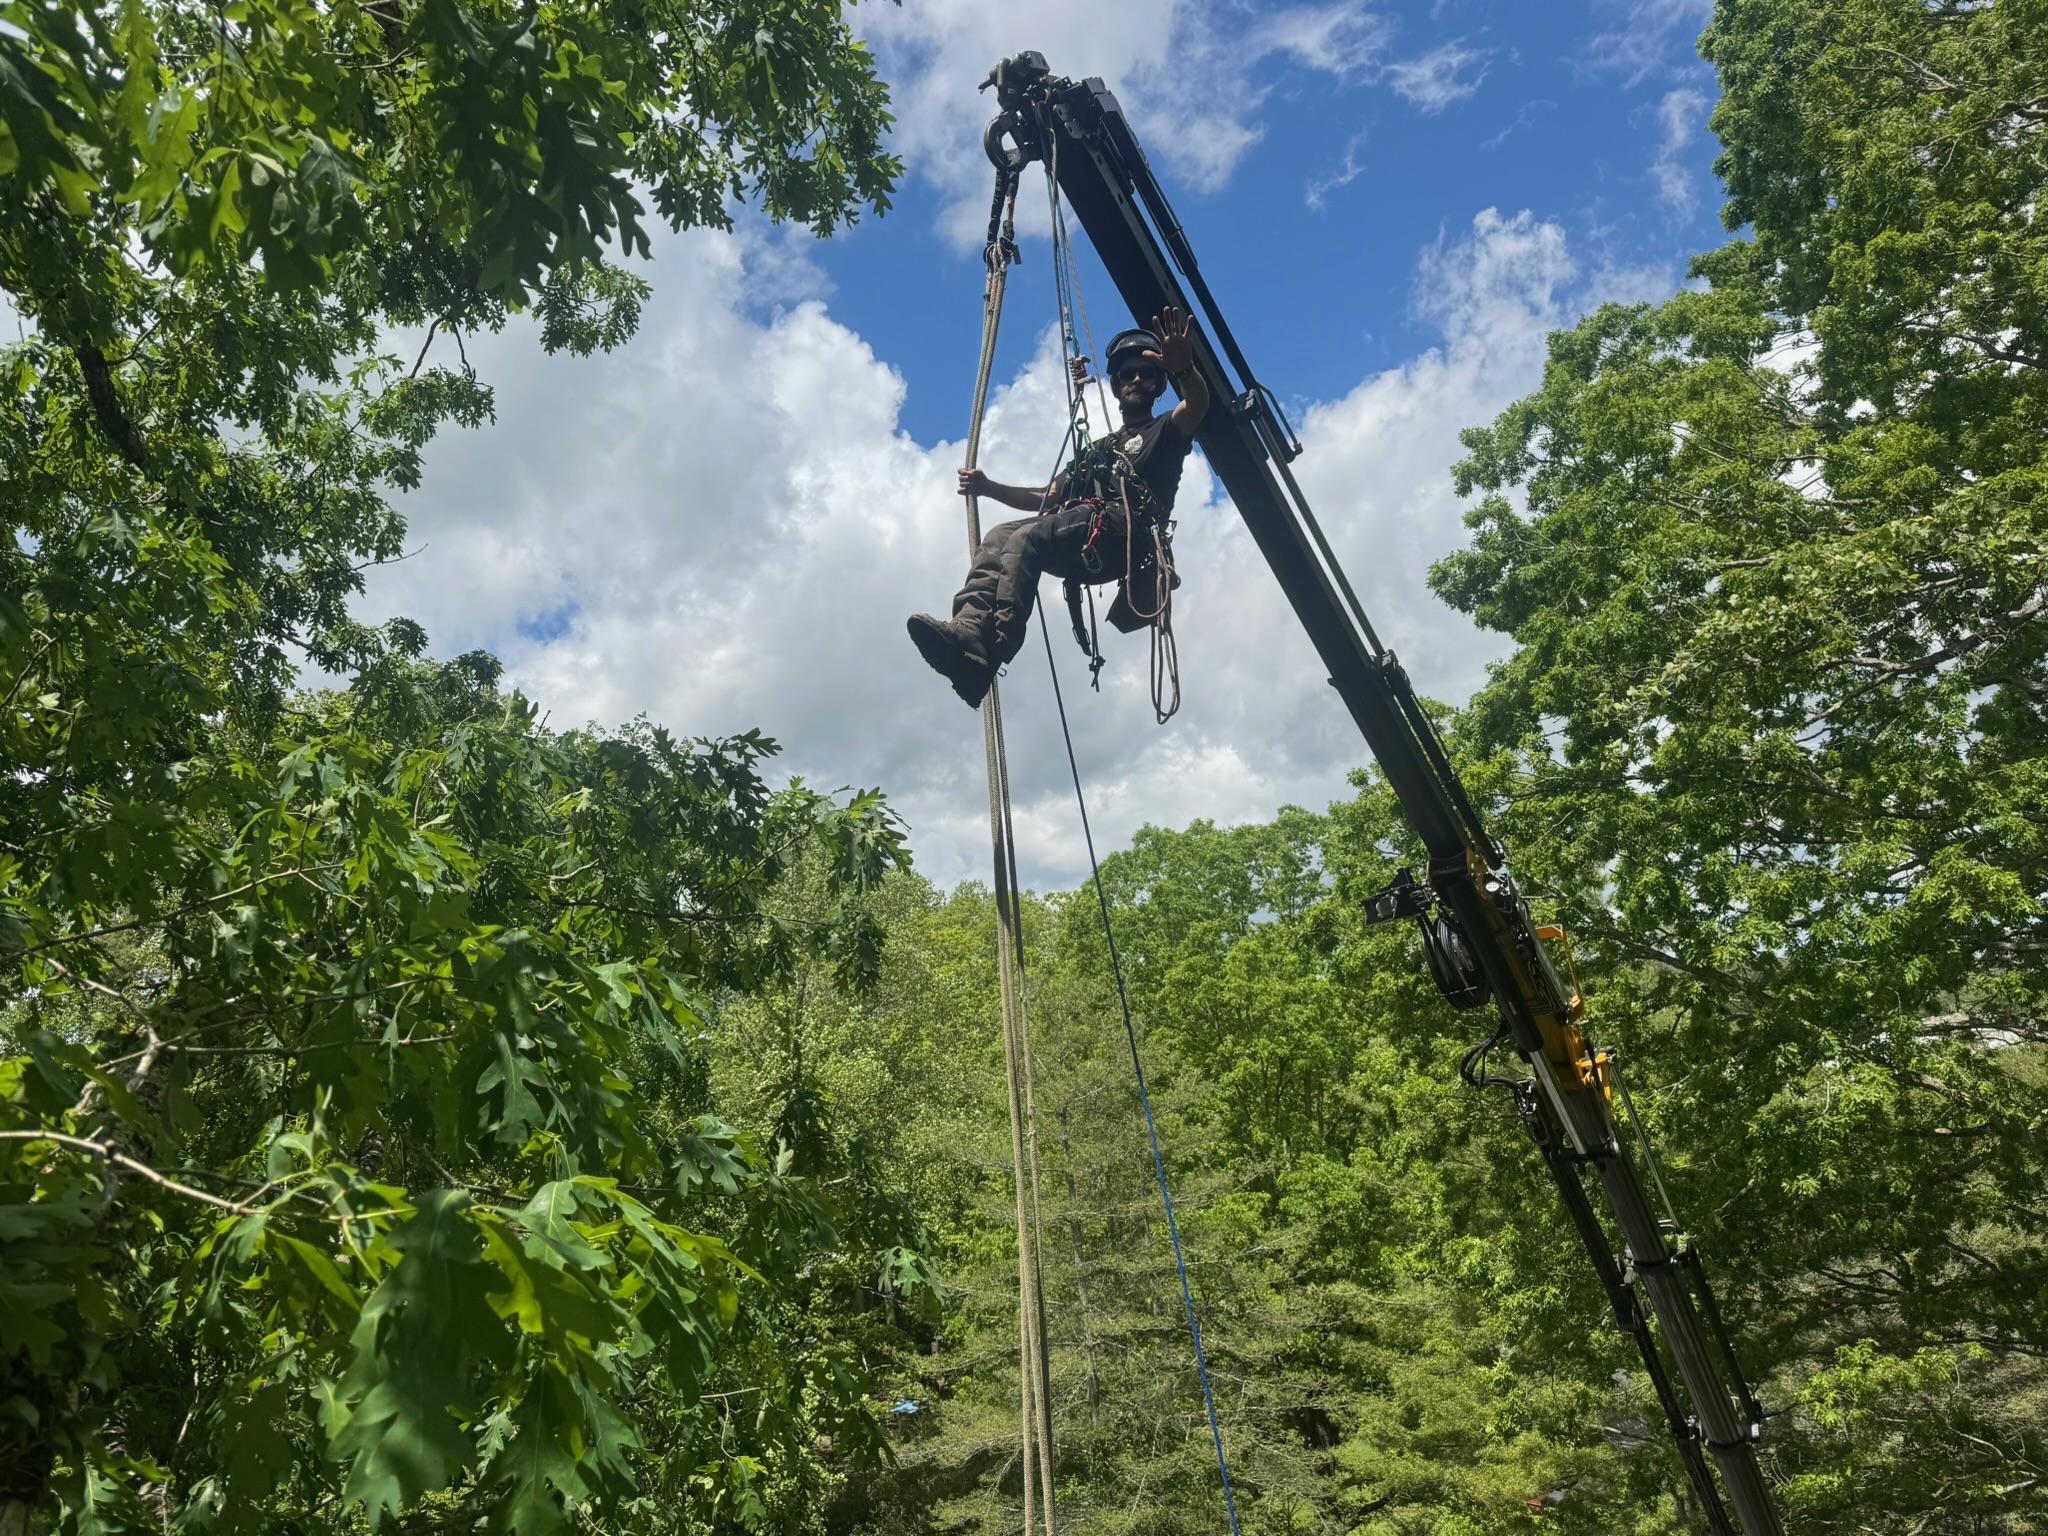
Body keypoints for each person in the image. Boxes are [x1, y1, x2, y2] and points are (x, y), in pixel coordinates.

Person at [907, 307, 1210, 708]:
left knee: (1028, 537)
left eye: (1147, 373)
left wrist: (1184, 369)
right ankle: (969, 628)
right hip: (1083, 536)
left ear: (1159, 385)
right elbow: (1049, 496)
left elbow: (1198, 406)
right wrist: (989, 488)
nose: (1136, 379)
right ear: (1116, 384)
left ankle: (993, 648)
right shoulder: (1101, 450)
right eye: (1127, 373)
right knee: (1000, 536)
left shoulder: (1166, 430)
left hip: (1121, 537)